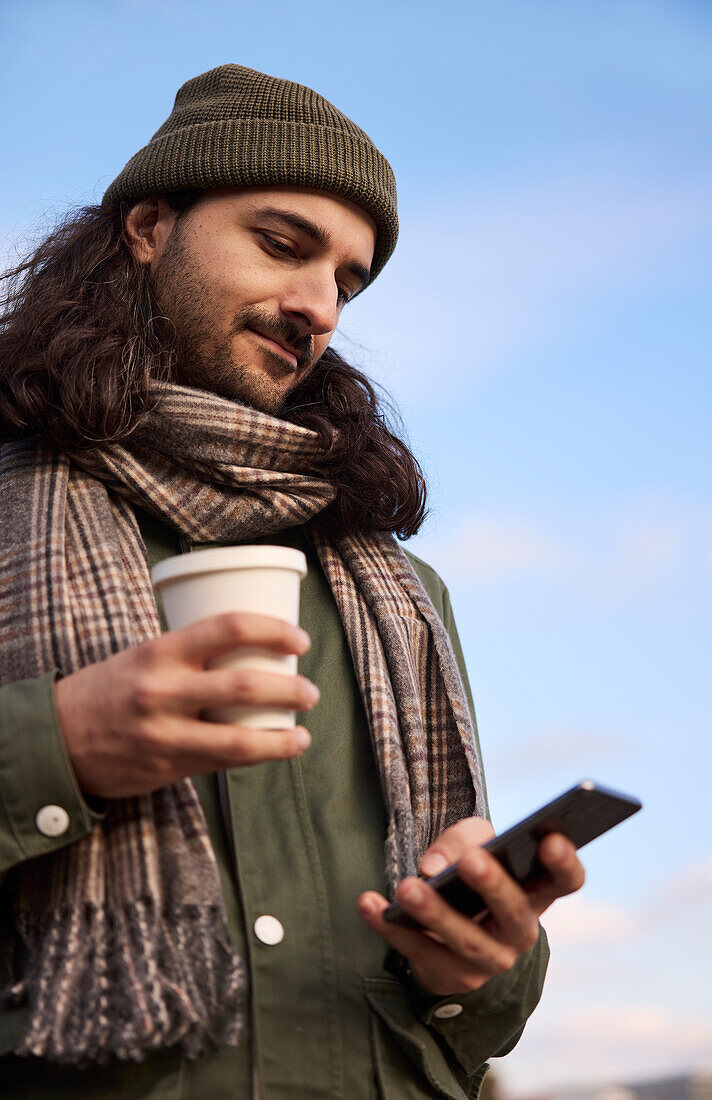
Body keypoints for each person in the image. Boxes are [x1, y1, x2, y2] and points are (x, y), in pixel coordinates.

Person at [0, 64, 585, 1099]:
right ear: (147, 225)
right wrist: (59, 746)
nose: (317, 305)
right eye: (282, 244)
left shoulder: (401, 590)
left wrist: (485, 961)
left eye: (348, 281)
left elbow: (479, 1018)